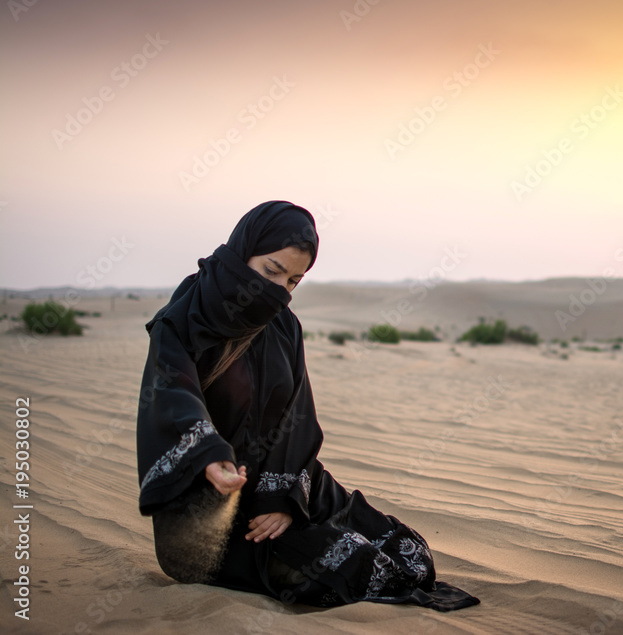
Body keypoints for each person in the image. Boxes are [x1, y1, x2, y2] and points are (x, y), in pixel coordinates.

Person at [135, 200, 479, 611]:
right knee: (354, 566)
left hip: (287, 480)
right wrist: (209, 455)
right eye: (271, 272)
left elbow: (296, 414)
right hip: (213, 503)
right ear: (241, 254)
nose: (279, 292)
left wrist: (281, 500)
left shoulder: (283, 326)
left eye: (294, 281)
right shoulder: (181, 323)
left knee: (413, 556)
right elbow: (174, 394)